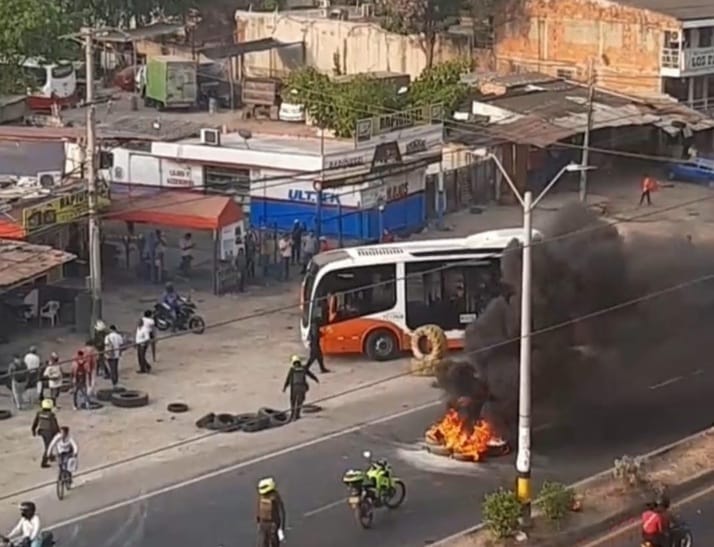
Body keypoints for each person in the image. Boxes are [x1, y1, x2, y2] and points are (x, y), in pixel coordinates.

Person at [282, 356, 318, 421]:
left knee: (293, 401)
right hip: (302, 387)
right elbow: (310, 375)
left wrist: (285, 387)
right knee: (299, 401)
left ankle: (293, 415)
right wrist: (316, 379)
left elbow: (288, 379)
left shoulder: (292, 370)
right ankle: (297, 415)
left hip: (294, 387)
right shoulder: (304, 368)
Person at [256, 477, 286, 547]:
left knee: (274, 542)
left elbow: (281, 511)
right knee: (264, 542)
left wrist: (281, 527)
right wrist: (258, 521)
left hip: (273, 524)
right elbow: (258, 509)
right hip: (264, 523)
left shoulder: (274, 496)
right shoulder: (262, 496)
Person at [31, 399, 60, 468]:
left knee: (47, 444)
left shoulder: (39, 413)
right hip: (49, 432)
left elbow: (35, 422)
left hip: (42, 431)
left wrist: (33, 430)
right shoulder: (51, 415)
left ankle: (50, 456)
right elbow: (54, 424)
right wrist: (58, 432)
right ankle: (44, 462)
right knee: (48, 446)